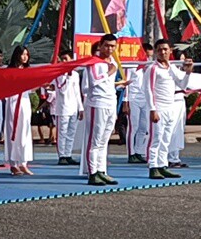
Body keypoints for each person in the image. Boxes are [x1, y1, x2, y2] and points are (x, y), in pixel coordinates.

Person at [80, 35, 127, 186]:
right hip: (97, 103)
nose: (110, 49)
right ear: (100, 45)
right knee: (95, 139)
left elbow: (108, 85)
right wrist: (110, 72)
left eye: (113, 46)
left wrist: (118, 83)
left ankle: (101, 170)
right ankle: (92, 172)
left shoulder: (112, 62)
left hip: (110, 103)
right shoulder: (94, 62)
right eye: (107, 45)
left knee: (104, 140)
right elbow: (94, 82)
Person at [143, 39, 193, 179]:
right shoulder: (153, 68)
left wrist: (188, 73)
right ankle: (153, 166)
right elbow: (148, 90)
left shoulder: (172, 67)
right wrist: (153, 109)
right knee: (156, 138)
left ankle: (162, 165)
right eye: (159, 50)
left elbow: (182, 85)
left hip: (170, 108)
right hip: (158, 108)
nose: (163, 52)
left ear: (170, 50)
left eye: (165, 49)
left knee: (166, 138)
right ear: (156, 52)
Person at [3, 46, 35, 175]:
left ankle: (23, 162)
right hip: (13, 101)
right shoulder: (10, 71)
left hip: (25, 102)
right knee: (13, 131)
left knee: (25, 132)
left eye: (27, 54)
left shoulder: (29, 70)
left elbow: (32, 88)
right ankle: (13, 163)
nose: (25, 57)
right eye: (22, 54)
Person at [50, 49, 83, 165]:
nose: (64, 61)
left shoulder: (75, 75)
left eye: (66, 59)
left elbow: (77, 92)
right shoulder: (58, 74)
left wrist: (81, 108)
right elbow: (62, 90)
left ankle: (68, 154)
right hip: (62, 108)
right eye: (62, 59)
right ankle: (62, 155)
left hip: (73, 108)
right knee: (62, 132)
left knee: (71, 132)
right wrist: (67, 76)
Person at [125, 44, 155, 163]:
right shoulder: (132, 66)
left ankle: (138, 151)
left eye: (150, 56)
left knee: (143, 128)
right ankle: (131, 153)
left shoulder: (151, 66)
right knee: (133, 127)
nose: (148, 58)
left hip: (145, 100)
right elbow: (126, 84)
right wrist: (125, 102)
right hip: (133, 99)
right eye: (146, 55)